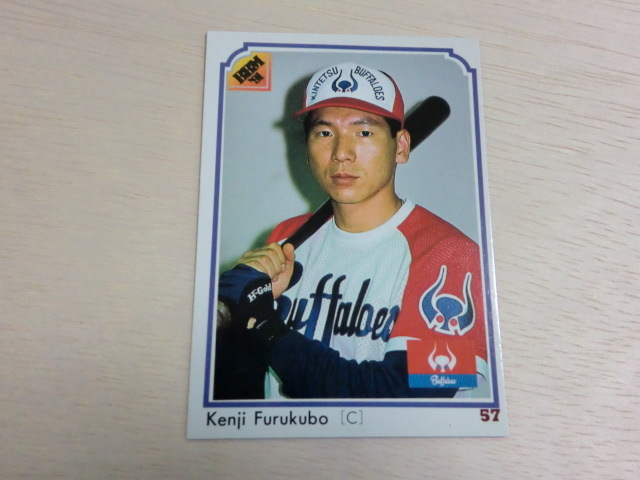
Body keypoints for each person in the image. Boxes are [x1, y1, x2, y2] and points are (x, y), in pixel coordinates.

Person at [214, 62, 488, 399]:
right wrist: (233, 330)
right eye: (324, 133)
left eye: (364, 132)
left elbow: (412, 394)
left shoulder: (452, 254)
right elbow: (246, 387)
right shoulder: (286, 238)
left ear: (401, 146)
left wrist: (264, 328)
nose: (341, 154)